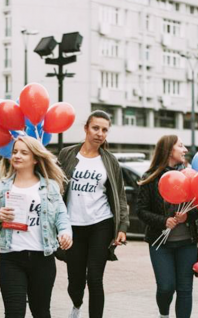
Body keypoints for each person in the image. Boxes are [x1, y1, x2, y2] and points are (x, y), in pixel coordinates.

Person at [0, 136, 73, 318]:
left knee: (41, 312)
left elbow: (61, 216)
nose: (17, 155)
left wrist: (65, 233)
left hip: (42, 258)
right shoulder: (2, 187)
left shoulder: (50, 187)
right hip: (11, 258)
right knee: (14, 313)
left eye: (24, 152)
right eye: (15, 151)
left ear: (35, 158)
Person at [57, 110, 130, 318]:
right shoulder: (67, 154)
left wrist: (122, 227)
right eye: (95, 128)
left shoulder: (110, 161)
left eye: (104, 130)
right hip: (73, 227)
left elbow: (120, 196)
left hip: (101, 223)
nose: (100, 133)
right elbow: (55, 187)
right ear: (86, 128)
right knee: (76, 280)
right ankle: (77, 304)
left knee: (95, 278)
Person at [136, 135, 198, 318]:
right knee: (166, 287)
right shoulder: (150, 177)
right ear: (168, 149)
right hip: (160, 243)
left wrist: (187, 216)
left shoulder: (191, 176)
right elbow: (141, 211)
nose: (185, 150)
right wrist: (164, 221)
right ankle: (163, 314)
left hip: (187, 242)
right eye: (181, 146)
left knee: (185, 289)